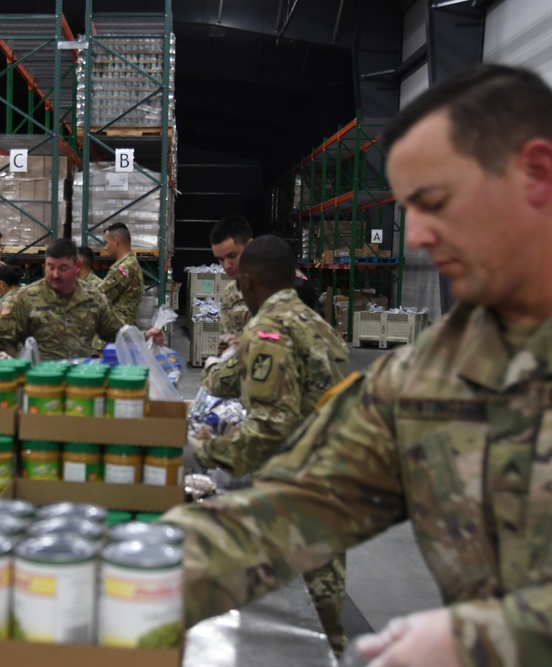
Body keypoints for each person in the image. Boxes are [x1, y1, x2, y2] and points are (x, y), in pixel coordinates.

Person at [163, 63, 552, 667]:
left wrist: (497, 636)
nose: (416, 235)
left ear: (536, 174)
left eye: (436, 201)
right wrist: (129, 572)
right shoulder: (437, 370)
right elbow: (310, 496)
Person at [192, 236, 350, 654]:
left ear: (247, 282)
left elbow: (269, 427)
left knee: (290, 625)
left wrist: (203, 454)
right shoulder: (319, 325)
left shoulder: (269, 329)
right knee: (324, 612)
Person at [0, 239, 160, 360]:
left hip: (80, 382)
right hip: (40, 383)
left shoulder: (92, 298)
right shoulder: (25, 298)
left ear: (77, 266)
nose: (55, 274)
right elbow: (4, 342)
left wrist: (145, 336)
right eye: (50, 268)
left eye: (63, 268)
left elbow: (116, 333)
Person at [200, 216, 254, 395]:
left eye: (232, 256)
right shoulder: (230, 293)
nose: (227, 265)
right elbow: (224, 345)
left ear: (250, 246)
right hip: (237, 386)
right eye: (220, 260)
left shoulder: (274, 286)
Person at [99, 222, 144, 325]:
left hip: (116, 331)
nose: (105, 248)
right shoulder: (132, 263)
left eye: (106, 242)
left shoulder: (122, 269)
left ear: (115, 241)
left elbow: (98, 297)